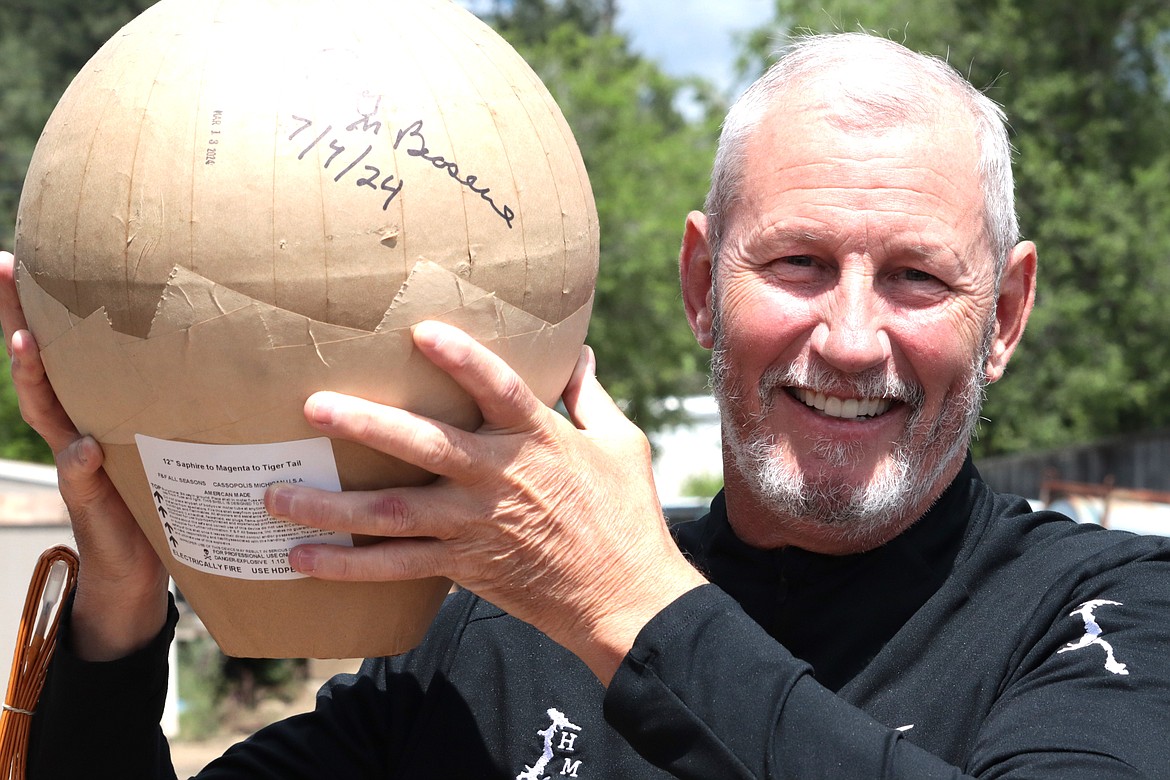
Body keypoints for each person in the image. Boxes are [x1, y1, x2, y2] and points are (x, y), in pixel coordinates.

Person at [4, 32, 1169, 779]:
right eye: (797, 265)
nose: (852, 338)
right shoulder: (499, 631)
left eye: (916, 277)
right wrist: (120, 612)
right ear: (698, 287)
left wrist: (623, 597)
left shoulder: (1106, 612)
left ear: (1005, 314)